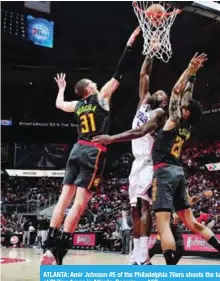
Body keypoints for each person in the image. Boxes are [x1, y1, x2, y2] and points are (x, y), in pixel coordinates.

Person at [40, 27, 141, 265]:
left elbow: (59, 105)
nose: (97, 83)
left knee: (63, 198)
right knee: (79, 203)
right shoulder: (101, 97)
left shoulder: (77, 105)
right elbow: (120, 71)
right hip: (93, 151)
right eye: (94, 83)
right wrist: (129, 43)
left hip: (76, 149)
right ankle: (58, 250)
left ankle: (47, 246)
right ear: (90, 89)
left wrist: (61, 90)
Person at [151, 52, 220, 265]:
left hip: (164, 170)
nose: (182, 105)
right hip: (178, 172)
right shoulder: (188, 124)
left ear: (185, 113)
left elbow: (177, 91)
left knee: (163, 222)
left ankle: (168, 269)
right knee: (191, 222)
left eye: (185, 107)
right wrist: (193, 76)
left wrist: (188, 68)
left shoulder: (175, 118)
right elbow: (186, 96)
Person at [93, 54, 168, 265]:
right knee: (134, 208)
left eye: (163, 93)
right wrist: (151, 52)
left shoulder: (160, 114)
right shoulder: (143, 104)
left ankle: (144, 256)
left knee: (145, 206)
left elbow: (140, 131)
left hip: (149, 163)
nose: (158, 92)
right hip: (136, 163)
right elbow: (144, 73)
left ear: (163, 101)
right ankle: (136, 254)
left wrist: (111, 138)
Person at [149, 190, 213, 264]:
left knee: (180, 248)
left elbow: (191, 200)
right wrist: (173, 212)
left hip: (175, 225)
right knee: (157, 247)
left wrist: (202, 195)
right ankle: (143, 261)